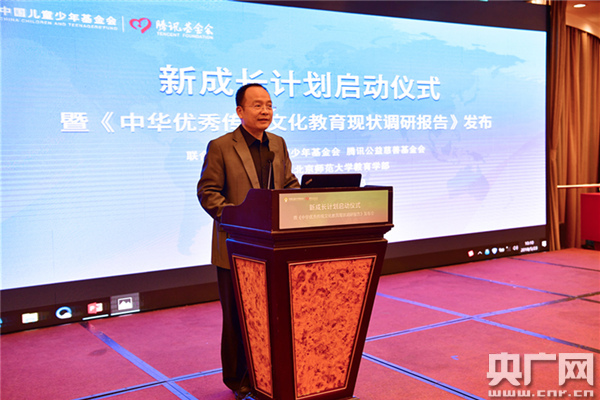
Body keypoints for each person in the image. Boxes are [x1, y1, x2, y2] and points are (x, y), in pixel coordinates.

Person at [197, 83, 300, 400]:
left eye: (269, 104)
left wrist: (302, 202)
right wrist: (238, 217)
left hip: (273, 249)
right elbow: (208, 192)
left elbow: (289, 184)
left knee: (269, 317)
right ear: (239, 111)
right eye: (257, 105)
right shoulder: (221, 146)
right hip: (235, 247)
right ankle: (238, 379)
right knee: (238, 318)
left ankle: (268, 374)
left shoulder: (278, 144)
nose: (265, 110)